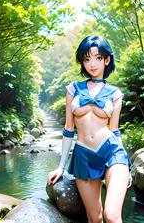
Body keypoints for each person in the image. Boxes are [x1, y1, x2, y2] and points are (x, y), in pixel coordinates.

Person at [47, 35, 131, 223]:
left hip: (112, 151)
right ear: (82, 62)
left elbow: (115, 130)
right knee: (94, 218)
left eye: (98, 58)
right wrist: (61, 167)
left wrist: (127, 170)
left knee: (111, 215)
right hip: (83, 154)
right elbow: (69, 128)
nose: (92, 64)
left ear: (107, 59)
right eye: (86, 59)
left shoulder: (115, 93)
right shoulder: (73, 89)